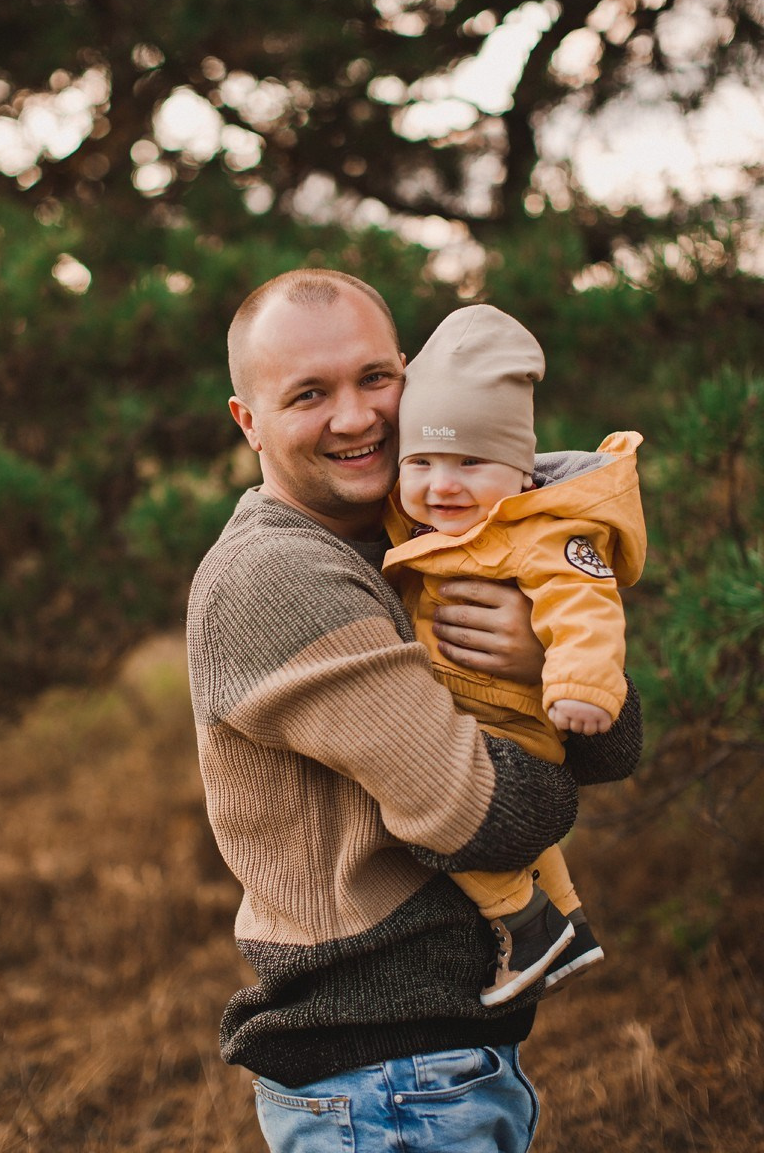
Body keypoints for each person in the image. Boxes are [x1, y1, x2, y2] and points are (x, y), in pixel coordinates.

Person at [186, 268, 642, 1153]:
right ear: (249, 421)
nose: (355, 417)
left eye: (374, 379)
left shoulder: (427, 538)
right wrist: (550, 718)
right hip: (384, 1081)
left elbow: (612, 742)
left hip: (443, 1063)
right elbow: (490, 816)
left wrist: (541, 658)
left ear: (411, 374)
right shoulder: (277, 576)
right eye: (309, 394)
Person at [382, 304, 646, 1008]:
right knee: (519, 838)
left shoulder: (542, 535)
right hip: (477, 712)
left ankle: (525, 924)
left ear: (522, 475)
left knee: (435, 809)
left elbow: (584, 606)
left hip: (513, 719)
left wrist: (580, 683)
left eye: (470, 462)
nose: (443, 485)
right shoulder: (429, 523)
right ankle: (570, 925)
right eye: (421, 463)